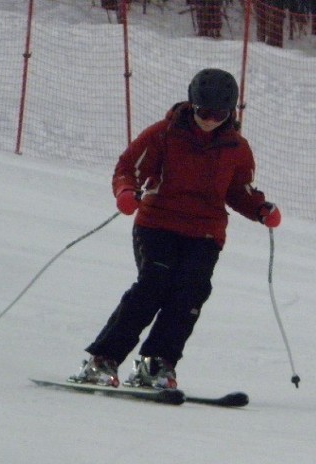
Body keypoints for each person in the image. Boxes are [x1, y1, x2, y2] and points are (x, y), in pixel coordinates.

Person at [70, 68, 281, 389]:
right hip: (158, 224)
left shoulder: (236, 148)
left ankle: (156, 364)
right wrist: (126, 192)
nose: (210, 120)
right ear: (192, 104)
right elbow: (128, 168)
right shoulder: (164, 134)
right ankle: (103, 360)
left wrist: (260, 209)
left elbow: (239, 191)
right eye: (204, 112)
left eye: (219, 114)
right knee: (153, 284)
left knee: (190, 294)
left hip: (205, 233)